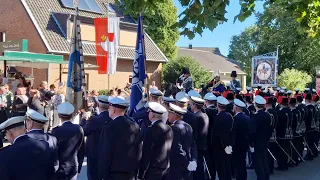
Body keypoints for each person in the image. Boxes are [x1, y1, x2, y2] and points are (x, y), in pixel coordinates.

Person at [98, 97, 141, 180]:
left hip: (113, 174)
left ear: (113, 110)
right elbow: (138, 151)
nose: (108, 110)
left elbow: (105, 153)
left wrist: (102, 175)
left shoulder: (109, 127)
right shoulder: (135, 126)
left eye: (109, 108)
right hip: (130, 173)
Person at [138, 102, 173, 180]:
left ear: (152, 114)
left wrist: (142, 172)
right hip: (165, 167)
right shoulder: (168, 128)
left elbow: (147, 152)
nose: (148, 113)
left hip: (153, 169)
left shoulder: (151, 130)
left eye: (149, 111)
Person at [80, 95, 112, 180]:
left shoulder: (94, 119)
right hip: (109, 153)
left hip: (94, 154)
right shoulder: (112, 119)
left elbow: (83, 132)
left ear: (98, 105)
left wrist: (83, 119)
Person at [52, 102, 84, 180]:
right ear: (71, 115)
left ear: (59, 115)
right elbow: (81, 150)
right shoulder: (79, 129)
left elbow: (53, 151)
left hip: (60, 167)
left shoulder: (56, 131)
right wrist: (79, 167)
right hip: (73, 165)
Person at [166, 103, 197, 180]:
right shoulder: (188, 126)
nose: (168, 116)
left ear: (174, 115)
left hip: (178, 166)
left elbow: (177, 148)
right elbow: (193, 145)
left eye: (169, 113)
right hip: (188, 163)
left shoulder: (174, 128)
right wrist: (193, 160)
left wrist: (187, 163)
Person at [25, 109, 59, 175]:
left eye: (27, 120)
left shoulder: (23, 139)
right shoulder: (52, 139)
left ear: (31, 123)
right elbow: (55, 163)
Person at [249, 95, 272, 180]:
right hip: (265, 141)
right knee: (264, 161)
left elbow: (252, 132)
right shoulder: (268, 115)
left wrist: (251, 143)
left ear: (255, 105)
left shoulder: (255, 117)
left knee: (258, 164)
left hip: (257, 143)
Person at [211, 96, 233, 180]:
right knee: (227, 166)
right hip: (227, 145)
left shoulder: (217, 117)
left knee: (221, 168)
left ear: (218, 105)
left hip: (219, 146)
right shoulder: (229, 116)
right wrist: (229, 145)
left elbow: (217, 133)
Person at [189, 95, 209, 180]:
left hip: (197, 145)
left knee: (197, 170)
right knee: (201, 167)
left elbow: (194, 133)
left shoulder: (195, 117)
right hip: (203, 144)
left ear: (194, 105)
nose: (190, 106)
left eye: (192, 104)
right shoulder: (204, 115)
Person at [232, 99, 250, 180]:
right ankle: (243, 177)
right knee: (242, 160)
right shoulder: (247, 117)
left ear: (236, 107)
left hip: (237, 143)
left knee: (238, 162)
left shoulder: (235, 119)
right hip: (245, 143)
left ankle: (240, 177)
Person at [204, 93, 218, 178]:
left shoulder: (206, 112)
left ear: (206, 102)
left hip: (208, 139)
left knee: (209, 162)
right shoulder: (217, 111)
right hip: (216, 139)